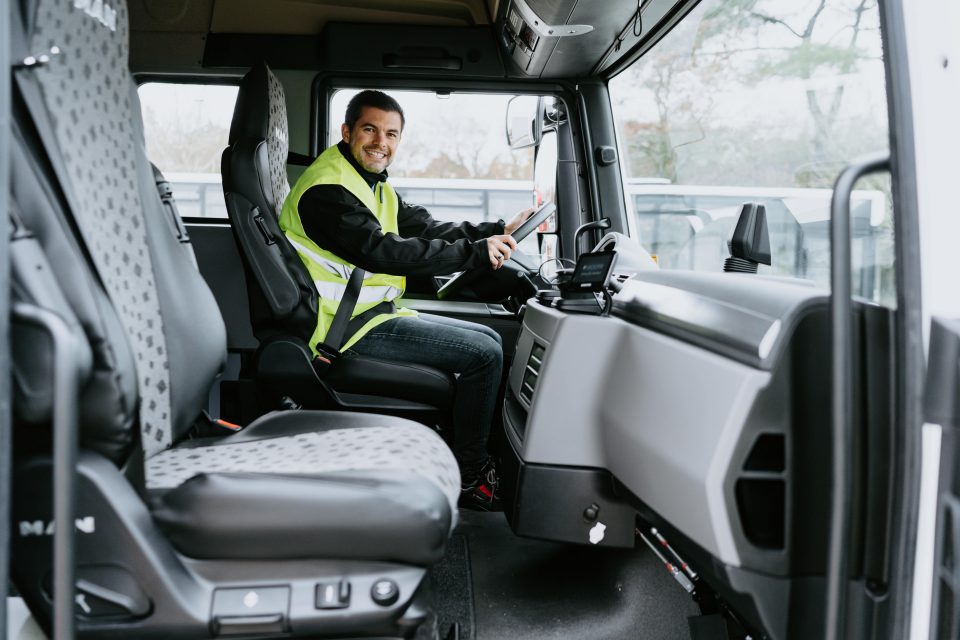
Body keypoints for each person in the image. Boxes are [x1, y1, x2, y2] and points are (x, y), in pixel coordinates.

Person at [278, 90, 533, 510]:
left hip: (369, 313)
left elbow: (423, 225)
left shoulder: (367, 182)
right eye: (370, 130)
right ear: (347, 132)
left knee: (491, 339)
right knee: (485, 353)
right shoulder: (328, 190)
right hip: (340, 329)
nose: (381, 142)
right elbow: (382, 251)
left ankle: (468, 461)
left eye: (391, 134)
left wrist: (496, 228)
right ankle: (469, 477)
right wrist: (474, 252)